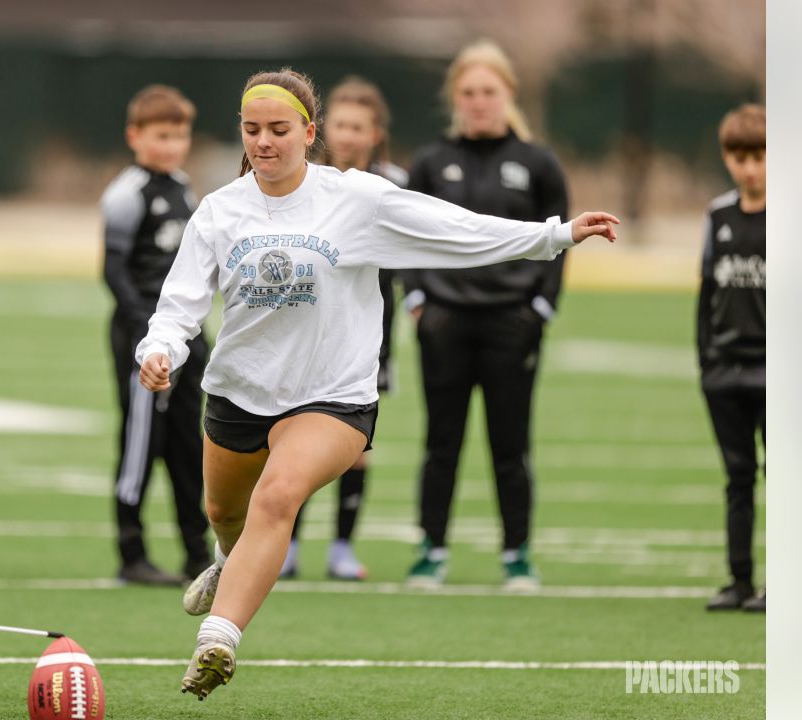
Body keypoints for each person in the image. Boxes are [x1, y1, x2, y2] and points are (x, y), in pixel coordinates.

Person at [132, 68, 618, 700]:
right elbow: (179, 305)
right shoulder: (220, 212)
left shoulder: (356, 198)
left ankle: (218, 640)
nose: (264, 142)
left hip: (333, 397)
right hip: (239, 392)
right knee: (224, 512)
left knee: (277, 498)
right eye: (252, 131)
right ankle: (229, 562)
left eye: (279, 130)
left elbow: (456, 229)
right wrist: (160, 349)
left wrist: (553, 235)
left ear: (310, 133)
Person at [398, 40, 570, 591]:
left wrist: (539, 308)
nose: (478, 102)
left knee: (510, 442)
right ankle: (432, 550)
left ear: (508, 94)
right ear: (455, 97)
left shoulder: (538, 163)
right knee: (441, 441)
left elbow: (558, 240)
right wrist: (418, 301)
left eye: (488, 92)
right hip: (445, 322)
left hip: (511, 324)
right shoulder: (429, 162)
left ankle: (517, 554)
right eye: (468, 92)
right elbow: (405, 236)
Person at [280, 76, 408, 581]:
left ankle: (341, 548)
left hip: (369, 334)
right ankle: (286, 545)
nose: (349, 134)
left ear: (376, 132)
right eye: (341, 123)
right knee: (292, 439)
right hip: (307, 330)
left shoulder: (395, 182)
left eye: (359, 126)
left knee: (355, 447)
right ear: (323, 128)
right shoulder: (305, 180)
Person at [101, 85, 212, 586]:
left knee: (191, 442)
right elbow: (114, 269)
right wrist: (150, 330)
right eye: (161, 135)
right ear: (135, 136)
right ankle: (132, 553)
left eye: (179, 135)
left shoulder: (183, 187)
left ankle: (197, 551)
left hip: (187, 336)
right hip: (142, 337)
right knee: (142, 443)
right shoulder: (127, 193)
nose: (171, 145)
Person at [699, 104, 766, 613]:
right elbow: (706, 294)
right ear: (727, 158)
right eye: (740, 157)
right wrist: (707, 363)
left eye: (761, 156)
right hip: (726, 372)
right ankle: (739, 581)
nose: (750, 168)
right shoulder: (718, 216)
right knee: (737, 477)